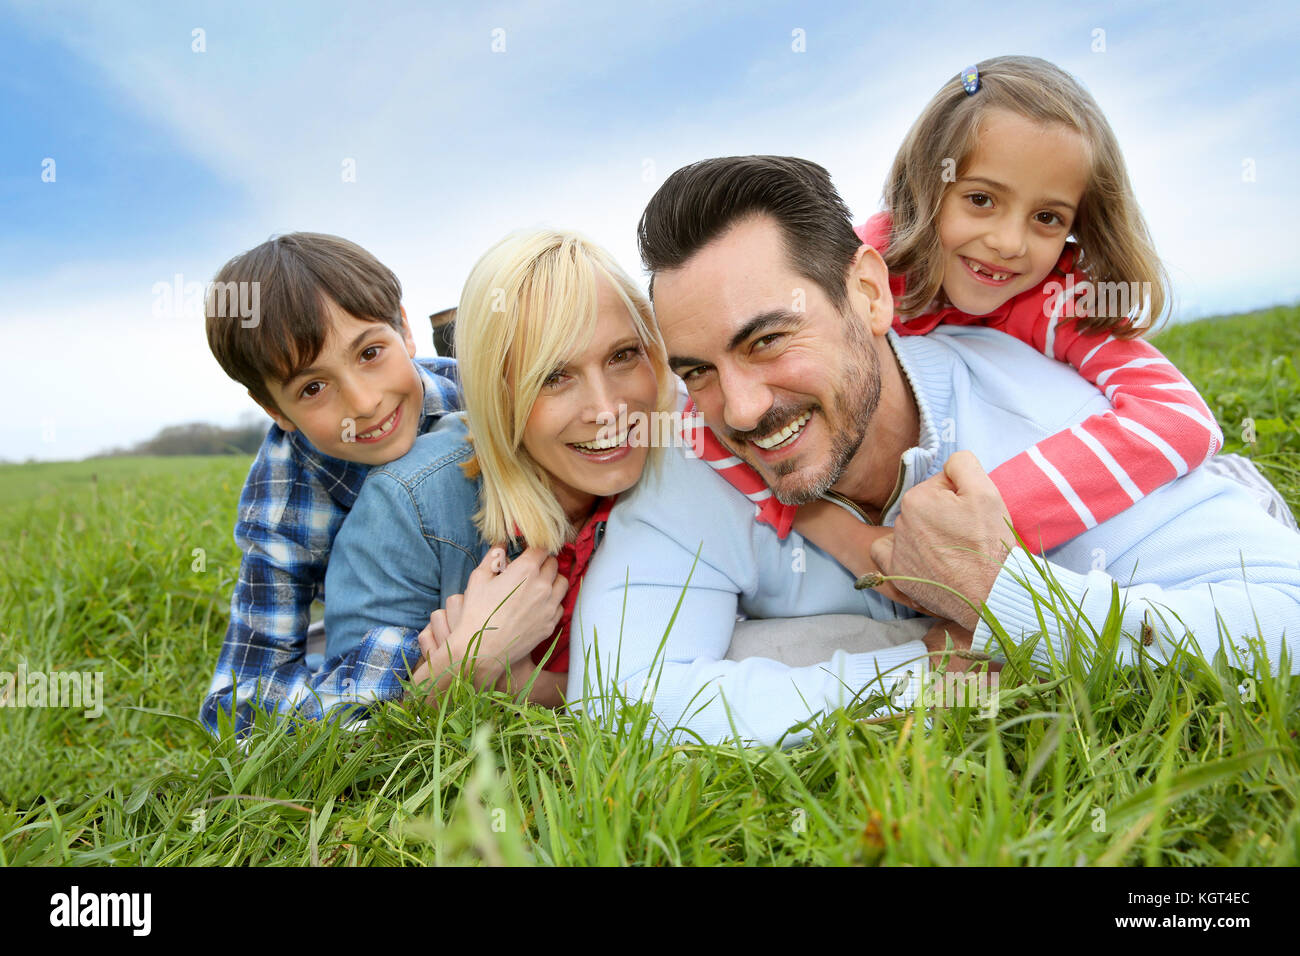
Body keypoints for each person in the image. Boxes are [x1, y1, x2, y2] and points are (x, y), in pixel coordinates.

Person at [566, 154, 1300, 748]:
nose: (743, 409)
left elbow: (1286, 618)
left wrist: (1009, 597)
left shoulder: (1045, 418)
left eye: (767, 341)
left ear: (868, 293)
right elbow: (615, 698)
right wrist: (926, 673)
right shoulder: (691, 466)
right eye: (698, 371)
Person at [691, 56, 1238, 576]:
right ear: (927, 186)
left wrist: (988, 513)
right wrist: (842, 535)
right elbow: (710, 404)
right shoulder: (854, 277)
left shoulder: (1054, 297)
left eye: (1047, 217)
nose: (1007, 242)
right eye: (981, 199)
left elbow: (1180, 418)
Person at [320, 228, 677, 715]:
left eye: (622, 355)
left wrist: (531, 687)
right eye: (554, 376)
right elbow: (345, 740)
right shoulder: (411, 505)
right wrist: (476, 660)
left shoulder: (687, 451)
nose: (608, 410)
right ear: (498, 395)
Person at [199, 233, 462, 736]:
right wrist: (429, 655)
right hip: (387, 628)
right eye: (314, 388)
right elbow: (239, 708)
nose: (363, 403)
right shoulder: (285, 491)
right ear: (276, 411)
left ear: (406, 330)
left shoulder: (480, 391)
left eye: (370, 352)